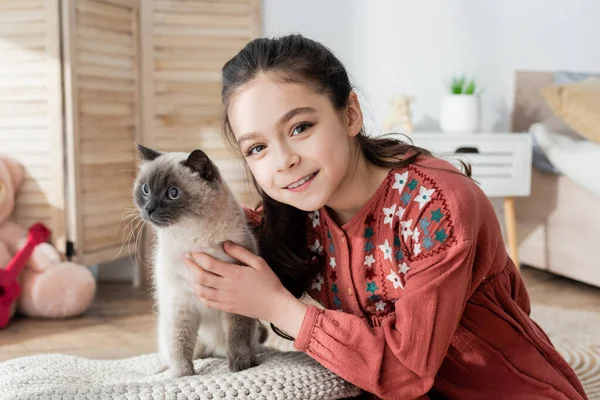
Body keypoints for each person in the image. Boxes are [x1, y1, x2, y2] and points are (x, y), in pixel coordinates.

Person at [183, 34, 587, 399]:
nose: (283, 161)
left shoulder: (439, 207)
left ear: (350, 115)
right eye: (257, 149)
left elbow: (406, 372)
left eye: (301, 127)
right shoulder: (300, 214)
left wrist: (276, 306)